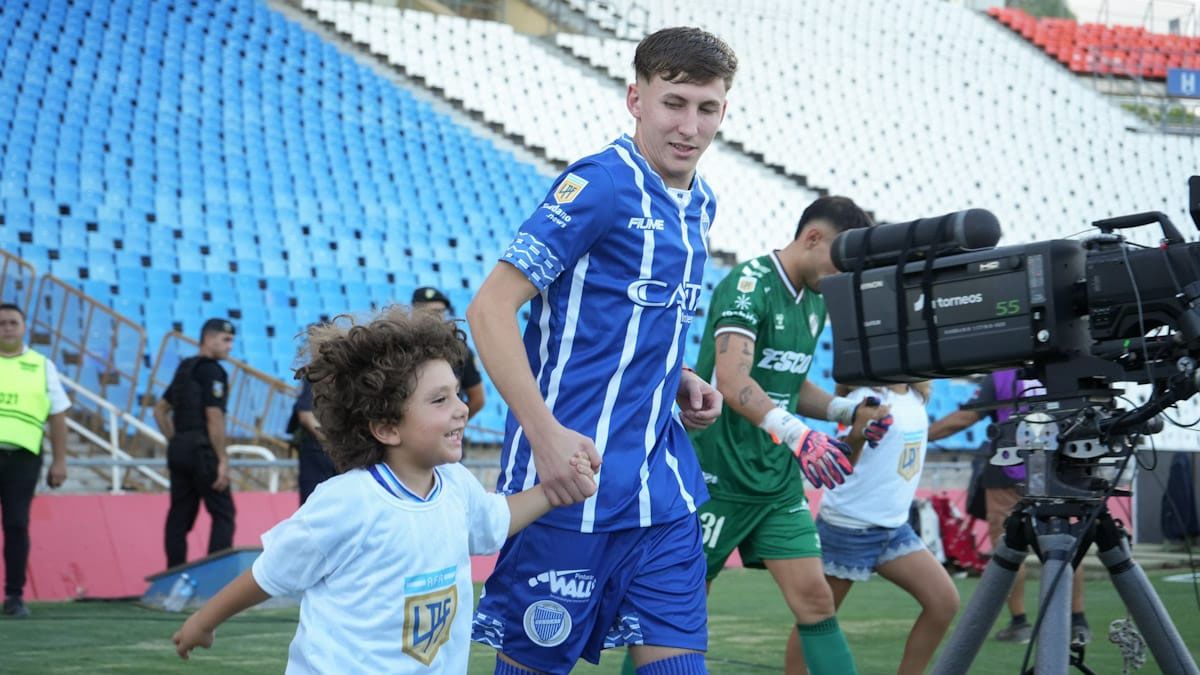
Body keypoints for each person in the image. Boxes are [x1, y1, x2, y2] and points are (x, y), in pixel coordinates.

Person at [468, 26, 734, 675]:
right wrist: (547, 434)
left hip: (662, 491)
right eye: (674, 102)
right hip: (568, 485)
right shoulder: (599, 184)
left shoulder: (701, 204)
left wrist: (679, 378)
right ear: (635, 98)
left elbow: (624, 319)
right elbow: (490, 309)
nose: (689, 126)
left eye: (707, 108)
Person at [172, 307, 595, 672]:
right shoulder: (347, 502)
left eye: (456, 394)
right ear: (387, 427)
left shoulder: (455, 485)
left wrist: (556, 489)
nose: (462, 408)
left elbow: (496, 520)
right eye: (439, 400)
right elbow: (269, 574)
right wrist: (204, 621)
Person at [684, 197, 887, 675]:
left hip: (775, 486)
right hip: (715, 478)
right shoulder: (748, 285)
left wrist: (845, 409)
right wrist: (801, 437)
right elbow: (733, 383)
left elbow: (790, 382)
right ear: (813, 238)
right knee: (681, 613)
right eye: (842, 260)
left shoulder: (816, 300)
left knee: (816, 601)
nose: (844, 274)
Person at [928, 368, 1091, 646]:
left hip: (1008, 470)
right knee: (1065, 545)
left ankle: (1020, 624)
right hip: (1059, 470)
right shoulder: (1066, 368)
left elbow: (967, 417)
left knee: (1008, 549)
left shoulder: (1001, 375)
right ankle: (1076, 622)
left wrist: (920, 437)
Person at [818, 382, 959, 675]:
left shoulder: (917, 396)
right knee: (817, 620)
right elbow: (843, 458)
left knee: (943, 602)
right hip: (849, 527)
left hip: (894, 528)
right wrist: (858, 432)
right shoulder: (865, 399)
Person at [0, 302, 69, 618]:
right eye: (1, 323)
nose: (7, 328)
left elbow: (57, 416)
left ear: (24, 327)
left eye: (13, 322)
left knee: (16, 525)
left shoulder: (43, 365)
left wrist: (59, 462)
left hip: (24, 459)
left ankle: (14, 596)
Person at [154, 318, 237, 569]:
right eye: (226, 340)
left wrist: (176, 440)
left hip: (179, 450)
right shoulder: (213, 371)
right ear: (209, 339)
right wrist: (222, 458)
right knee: (223, 514)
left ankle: (173, 574)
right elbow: (214, 416)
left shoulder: (185, 368)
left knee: (179, 516)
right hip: (203, 451)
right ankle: (215, 577)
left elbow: (159, 411)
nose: (230, 346)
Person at [412, 286, 485, 420]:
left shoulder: (460, 350)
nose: (436, 317)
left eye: (440, 311)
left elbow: (478, 398)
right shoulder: (403, 348)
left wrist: (454, 422)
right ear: (415, 312)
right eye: (429, 312)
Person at [290, 377, 335, 505]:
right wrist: (332, 442)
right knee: (314, 504)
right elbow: (306, 415)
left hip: (339, 455)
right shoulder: (317, 376)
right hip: (318, 454)